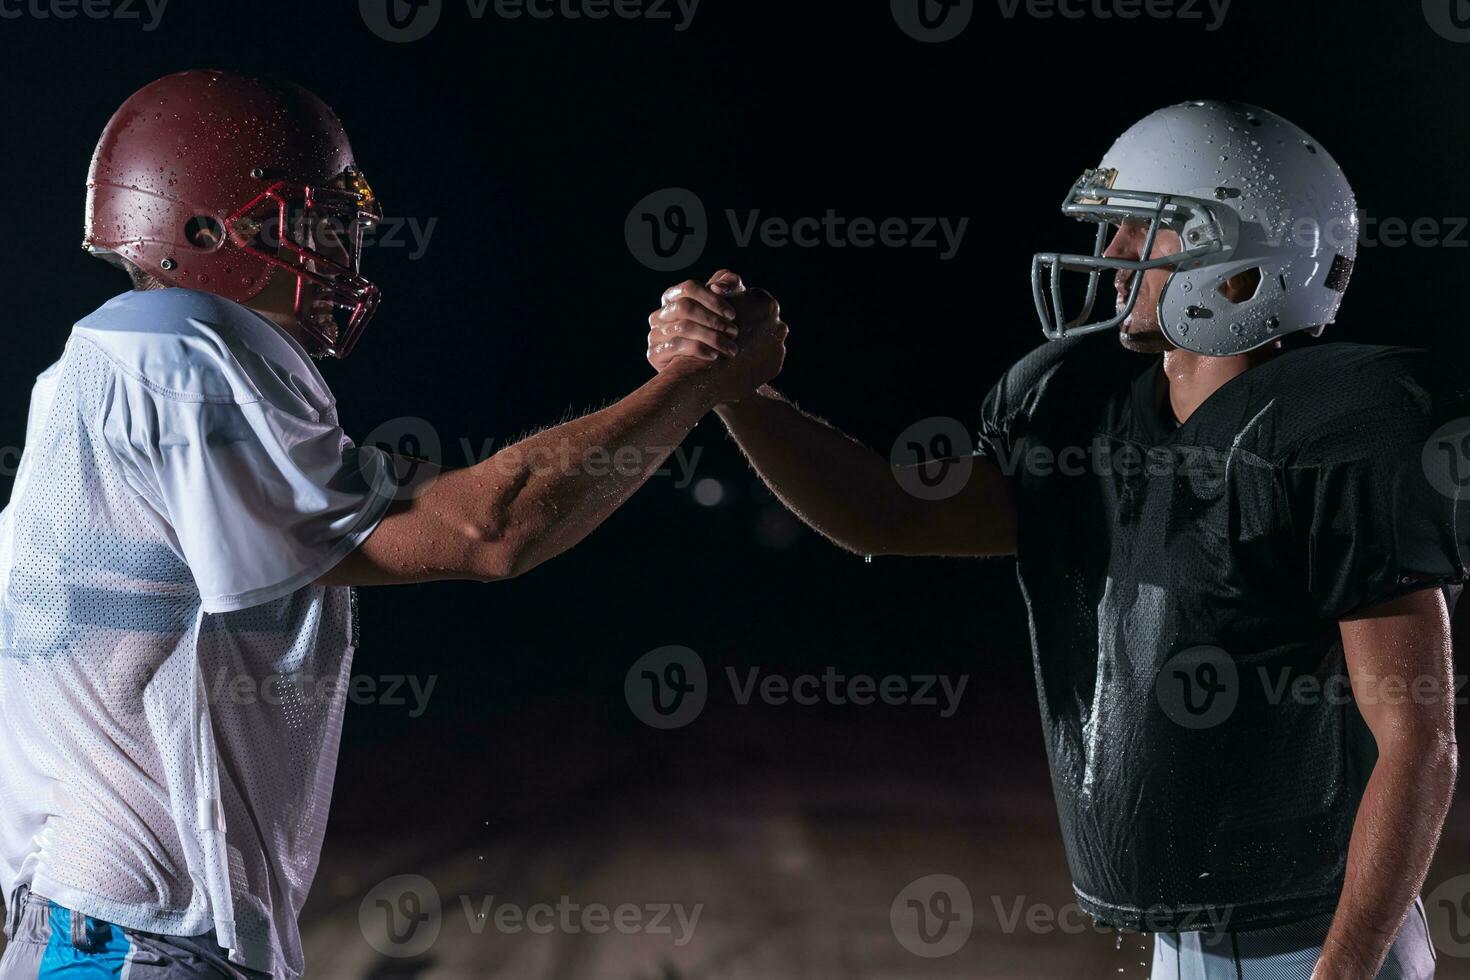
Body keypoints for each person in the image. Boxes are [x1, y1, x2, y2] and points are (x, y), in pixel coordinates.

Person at [646, 101, 1463, 979]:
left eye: (1142, 231)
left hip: (1317, 944)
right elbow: (885, 513)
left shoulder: (1336, 436)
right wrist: (733, 392)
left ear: (1241, 270)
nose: (1112, 257)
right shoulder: (1090, 415)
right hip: (1185, 947)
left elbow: (1420, 742)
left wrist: (1339, 973)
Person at [0, 69, 785, 979]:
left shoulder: (120, 365)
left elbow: (465, 498)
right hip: (132, 937)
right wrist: (692, 383)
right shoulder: (175, 349)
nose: (343, 252)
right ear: (208, 229)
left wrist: (675, 394)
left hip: (114, 927)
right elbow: (487, 530)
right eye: (317, 222)